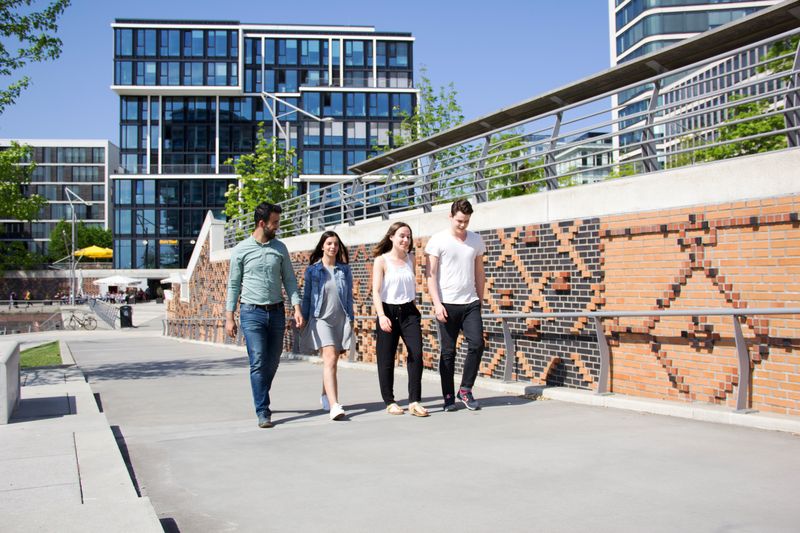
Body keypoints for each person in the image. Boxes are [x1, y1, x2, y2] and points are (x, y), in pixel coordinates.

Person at [225, 202, 304, 429]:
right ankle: (263, 410)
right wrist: (229, 317)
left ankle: (259, 389)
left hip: (277, 312)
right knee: (258, 361)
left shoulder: (280, 248)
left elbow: (289, 280)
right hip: (251, 313)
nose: (278, 226)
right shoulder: (241, 250)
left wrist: (296, 307)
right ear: (262, 223)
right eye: (275, 222)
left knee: (273, 361)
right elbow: (233, 286)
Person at [425, 198, 486, 412]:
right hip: (447, 304)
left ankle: (466, 389)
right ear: (450, 216)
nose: (462, 225)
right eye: (459, 220)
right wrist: (437, 303)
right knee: (448, 352)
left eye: (466, 221)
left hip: (470, 303)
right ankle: (449, 396)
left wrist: (480, 299)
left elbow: (479, 272)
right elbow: (430, 276)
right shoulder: (438, 240)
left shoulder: (476, 240)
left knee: (477, 344)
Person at [371, 222, 428, 417]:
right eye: (402, 236)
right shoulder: (381, 261)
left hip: (409, 312)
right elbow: (376, 292)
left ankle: (414, 401)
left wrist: (413, 307)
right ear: (392, 237)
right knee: (386, 359)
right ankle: (389, 401)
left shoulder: (411, 258)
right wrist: (381, 316)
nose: (406, 240)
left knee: (417, 354)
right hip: (387, 310)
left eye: (408, 237)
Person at [300, 231, 354, 421]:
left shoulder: (344, 270)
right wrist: (304, 317)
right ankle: (334, 405)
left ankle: (325, 395)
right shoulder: (313, 271)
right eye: (329, 243)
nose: (333, 247)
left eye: (336, 244)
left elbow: (349, 297)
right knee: (330, 358)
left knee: (332, 363)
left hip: (340, 319)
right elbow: (307, 296)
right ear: (322, 246)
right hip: (321, 319)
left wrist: (351, 320)